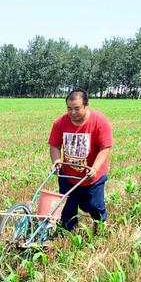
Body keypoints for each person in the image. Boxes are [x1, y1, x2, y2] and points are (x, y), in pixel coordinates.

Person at [48, 89, 113, 233]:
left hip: (92, 176)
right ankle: (68, 233)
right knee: (67, 208)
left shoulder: (100, 122)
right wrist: (57, 160)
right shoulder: (60, 122)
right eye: (69, 108)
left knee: (93, 205)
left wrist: (95, 168)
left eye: (77, 108)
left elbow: (105, 148)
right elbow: (54, 145)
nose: (72, 112)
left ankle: (100, 225)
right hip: (68, 175)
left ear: (86, 105)